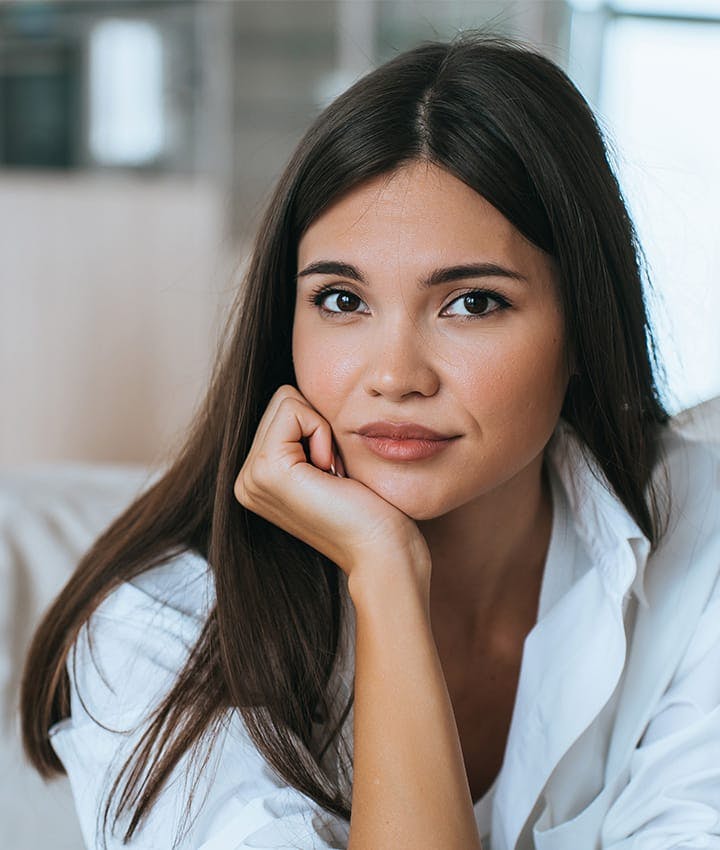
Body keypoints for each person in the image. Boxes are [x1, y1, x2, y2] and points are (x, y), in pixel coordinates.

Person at [20, 31, 720, 850]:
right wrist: (385, 576)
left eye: (473, 303)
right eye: (343, 300)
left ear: (583, 328)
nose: (394, 376)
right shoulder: (159, 633)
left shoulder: (699, 524)